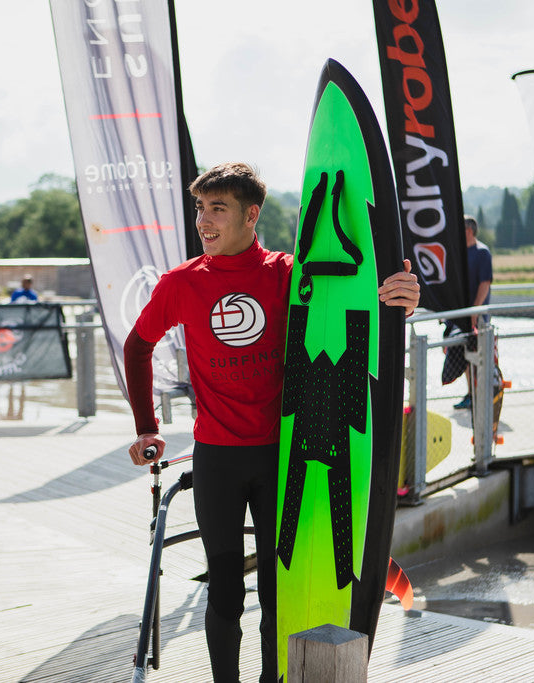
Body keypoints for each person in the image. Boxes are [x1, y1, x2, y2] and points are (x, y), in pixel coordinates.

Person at [124, 162, 420, 682]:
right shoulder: (182, 283)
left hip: (281, 455)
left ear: (251, 214)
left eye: (218, 209)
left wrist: (402, 299)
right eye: (200, 209)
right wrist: (147, 425)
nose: (204, 221)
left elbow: (353, 298)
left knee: (275, 589)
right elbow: (138, 344)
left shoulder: (288, 272)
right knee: (225, 589)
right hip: (216, 455)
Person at [453, 215, 493, 409]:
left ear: (469, 230)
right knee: (467, 356)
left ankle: (485, 394)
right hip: (463, 315)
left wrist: (475, 311)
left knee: (482, 356)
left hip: (478, 317)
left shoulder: (482, 253)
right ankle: (471, 394)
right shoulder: (460, 252)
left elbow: (485, 283)